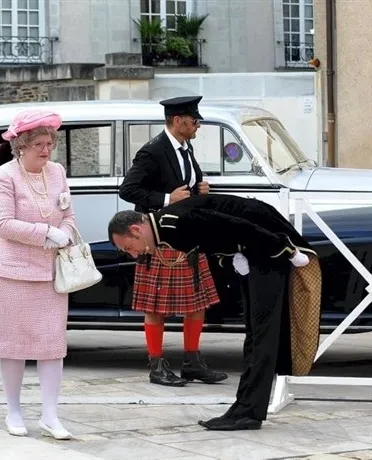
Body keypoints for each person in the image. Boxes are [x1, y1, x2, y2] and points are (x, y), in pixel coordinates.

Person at [108, 193, 320, 431]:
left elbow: (239, 224)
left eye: (129, 248)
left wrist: (286, 250)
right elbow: (216, 237)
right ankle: (244, 408)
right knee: (254, 333)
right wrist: (234, 254)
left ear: (136, 230)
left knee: (263, 334)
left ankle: (249, 412)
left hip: (266, 244)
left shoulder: (174, 222)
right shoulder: (164, 229)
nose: (133, 254)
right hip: (253, 249)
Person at [118, 95, 227, 387]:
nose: (198, 126)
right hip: (158, 237)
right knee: (155, 306)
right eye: (194, 121)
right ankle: (157, 366)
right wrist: (167, 199)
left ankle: (192, 362)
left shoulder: (185, 147)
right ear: (177, 121)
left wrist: (199, 189)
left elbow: (184, 184)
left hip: (186, 234)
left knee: (197, 302)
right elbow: (127, 190)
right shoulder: (152, 151)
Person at [0, 109, 76, 440]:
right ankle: (14, 410)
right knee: (13, 345)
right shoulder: (3, 177)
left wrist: (65, 233)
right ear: (20, 146)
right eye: (38, 144)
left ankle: (50, 416)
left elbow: (69, 215)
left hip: (51, 274)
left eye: (49, 143)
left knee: (52, 345)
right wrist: (46, 233)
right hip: (13, 273)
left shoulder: (57, 172)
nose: (46, 150)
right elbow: (2, 224)